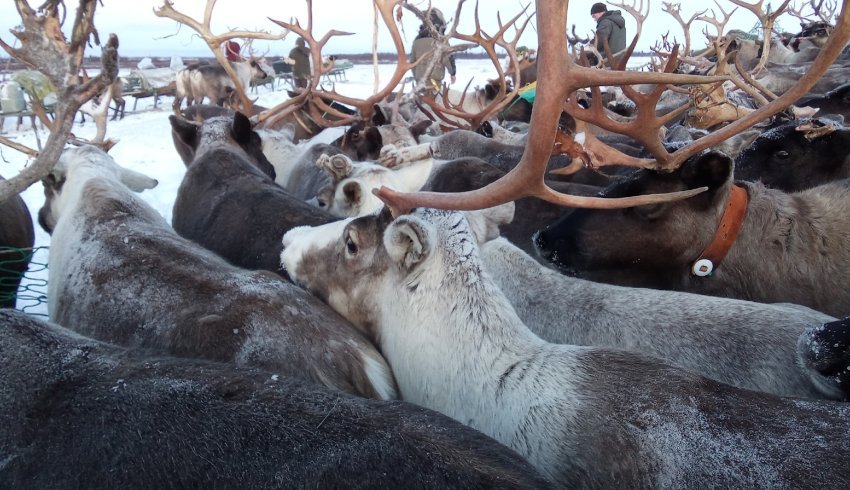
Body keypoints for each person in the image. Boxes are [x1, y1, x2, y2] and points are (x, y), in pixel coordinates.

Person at [409, 8, 457, 91]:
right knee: (434, 101)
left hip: (420, 82)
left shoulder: (417, 40)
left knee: (420, 102)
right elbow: (448, 59)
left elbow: (412, 62)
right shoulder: (441, 40)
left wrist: (416, 76)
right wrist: (452, 73)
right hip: (434, 82)